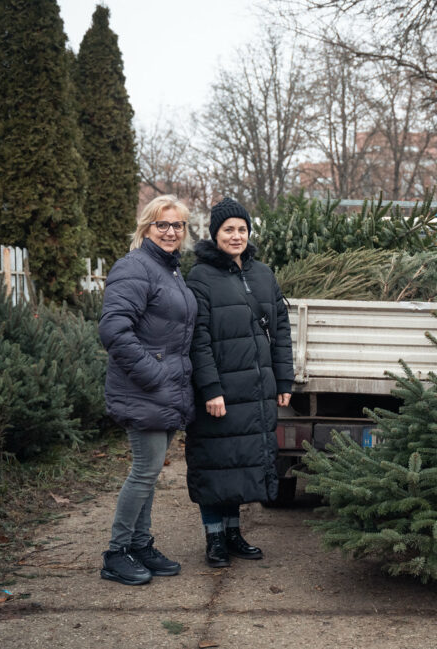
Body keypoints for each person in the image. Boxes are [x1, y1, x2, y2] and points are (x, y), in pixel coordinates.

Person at [185, 197, 294, 568]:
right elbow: (196, 338)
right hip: (219, 392)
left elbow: (280, 329)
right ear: (215, 234)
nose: (236, 236)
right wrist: (210, 389)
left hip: (255, 388)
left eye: (242, 229)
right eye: (228, 229)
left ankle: (233, 534)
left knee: (238, 462)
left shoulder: (263, 274)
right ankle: (214, 539)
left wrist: (284, 380)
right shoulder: (200, 277)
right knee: (215, 462)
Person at [98, 195, 197, 586]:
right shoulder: (135, 267)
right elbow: (114, 330)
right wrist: (154, 375)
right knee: (144, 471)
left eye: (178, 226)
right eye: (163, 224)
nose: (171, 232)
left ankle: (139, 544)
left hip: (166, 389)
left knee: (150, 472)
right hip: (145, 388)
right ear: (146, 227)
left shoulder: (168, 270)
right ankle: (116, 552)